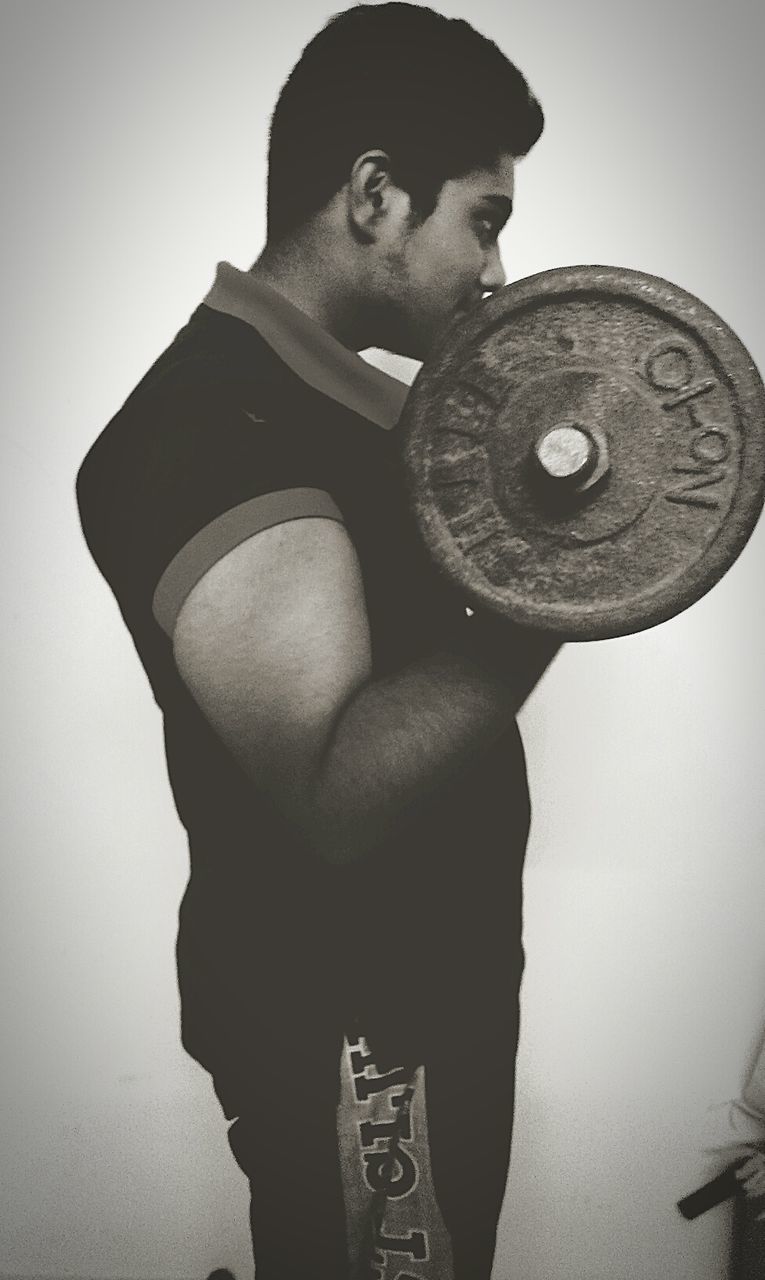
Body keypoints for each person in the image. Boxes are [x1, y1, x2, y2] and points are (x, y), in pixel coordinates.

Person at [75, 5, 559, 1277]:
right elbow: (339, 793)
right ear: (376, 195)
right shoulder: (213, 434)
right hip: (358, 1035)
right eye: (486, 219)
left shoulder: (347, 409)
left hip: (424, 1003)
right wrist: (565, 577)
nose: (499, 271)